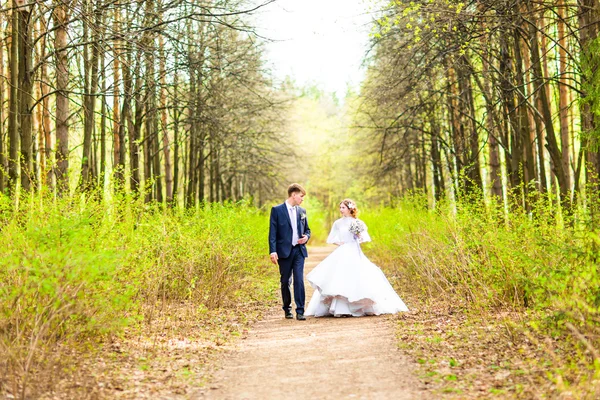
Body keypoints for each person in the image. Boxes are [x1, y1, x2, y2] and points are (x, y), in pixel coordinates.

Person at [305, 199, 408, 317]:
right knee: (341, 276)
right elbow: (331, 238)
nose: (341, 210)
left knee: (358, 275)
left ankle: (359, 306)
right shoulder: (337, 223)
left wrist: (358, 235)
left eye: (343, 207)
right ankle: (341, 307)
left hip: (355, 250)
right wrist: (340, 243)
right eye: (340, 207)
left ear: (350, 209)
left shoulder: (358, 222)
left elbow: (365, 238)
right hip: (343, 250)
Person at [269, 183, 311, 320]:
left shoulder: (302, 211)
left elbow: (307, 230)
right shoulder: (277, 210)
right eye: (301, 196)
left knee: (299, 279)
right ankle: (287, 308)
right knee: (285, 280)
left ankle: (300, 310)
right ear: (293, 195)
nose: (302, 199)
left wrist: (306, 237)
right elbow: (272, 233)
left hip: (299, 251)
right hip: (284, 251)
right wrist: (273, 251)